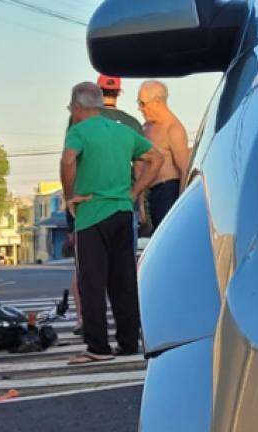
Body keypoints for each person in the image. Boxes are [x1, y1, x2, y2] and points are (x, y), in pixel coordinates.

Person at [61, 81, 162, 364]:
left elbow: (68, 161)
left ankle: (98, 347)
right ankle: (129, 342)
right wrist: (135, 191)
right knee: (124, 281)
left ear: (78, 107)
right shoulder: (123, 131)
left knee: (91, 282)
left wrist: (70, 197)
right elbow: (156, 158)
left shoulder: (77, 131)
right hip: (122, 212)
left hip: (92, 213)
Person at [137, 80, 191, 228]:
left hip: (168, 193)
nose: (140, 108)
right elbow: (139, 166)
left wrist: (180, 205)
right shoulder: (145, 128)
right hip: (148, 194)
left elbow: (185, 169)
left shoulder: (173, 129)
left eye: (142, 103)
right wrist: (140, 203)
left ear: (157, 102)